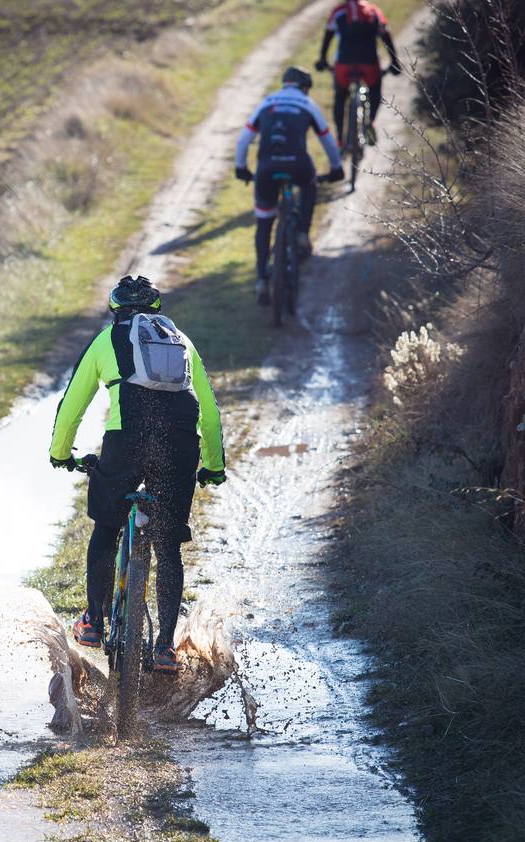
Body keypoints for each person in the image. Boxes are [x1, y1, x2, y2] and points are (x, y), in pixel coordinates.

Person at [49, 275, 226, 673]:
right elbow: (210, 413)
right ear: (156, 309)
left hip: (126, 440)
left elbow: (73, 403)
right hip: (179, 444)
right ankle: (165, 647)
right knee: (168, 546)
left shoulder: (107, 339)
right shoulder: (181, 340)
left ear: (116, 309)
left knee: (107, 527)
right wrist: (213, 466)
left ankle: (94, 621)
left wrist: (62, 454)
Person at [234, 66, 344, 306]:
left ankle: (262, 280)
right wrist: (336, 168)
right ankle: (303, 233)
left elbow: (243, 139)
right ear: (305, 87)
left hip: (266, 169)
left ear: (285, 84)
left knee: (264, 223)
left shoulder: (266, 102)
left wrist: (241, 167)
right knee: (309, 182)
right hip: (298, 165)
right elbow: (327, 139)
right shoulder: (307, 103)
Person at [316, 0, 401, 148]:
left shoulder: (338, 12)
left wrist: (322, 59)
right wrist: (394, 61)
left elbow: (328, 37)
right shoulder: (374, 12)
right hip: (369, 63)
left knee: (340, 98)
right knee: (375, 89)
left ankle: (340, 139)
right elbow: (385, 36)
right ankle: (370, 122)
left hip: (343, 64)